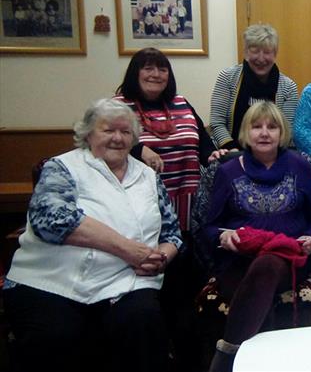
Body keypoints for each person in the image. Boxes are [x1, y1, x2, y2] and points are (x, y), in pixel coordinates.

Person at [3, 98, 182, 372]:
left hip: (127, 282)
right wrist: (128, 250)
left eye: (125, 132)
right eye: (108, 130)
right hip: (53, 281)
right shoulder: (62, 167)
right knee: (57, 336)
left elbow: (172, 233)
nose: (117, 138)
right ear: (88, 133)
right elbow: (50, 220)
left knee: (142, 324)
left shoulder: (148, 176)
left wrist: (161, 257)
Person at [202, 101, 311, 372]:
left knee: (267, 264)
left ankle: (227, 355)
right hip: (238, 261)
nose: (264, 133)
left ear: (282, 133)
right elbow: (209, 227)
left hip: (289, 258)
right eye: (257, 127)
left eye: (272, 126)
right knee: (258, 290)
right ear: (246, 132)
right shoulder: (228, 171)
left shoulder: (300, 166)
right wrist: (223, 237)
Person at [115, 47, 225, 232]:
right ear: (135, 73)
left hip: (187, 198)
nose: (156, 75)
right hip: (140, 200)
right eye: (148, 68)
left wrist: (213, 154)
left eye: (162, 70)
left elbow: (202, 142)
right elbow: (106, 141)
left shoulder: (180, 102)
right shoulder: (118, 106)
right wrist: (139, 149)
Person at [210, 23, 299, 150]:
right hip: (231, 152)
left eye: (267, 52)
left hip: (272, 154)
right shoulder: (227, 78)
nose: (261, 58)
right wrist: (232, 150)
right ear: (246, 52)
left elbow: (286, 130)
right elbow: (217, 122)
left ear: (275, 54)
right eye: (255, 51)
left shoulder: (288, 87)